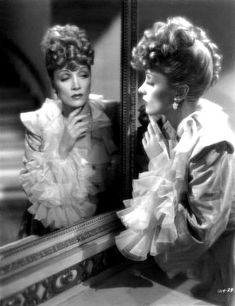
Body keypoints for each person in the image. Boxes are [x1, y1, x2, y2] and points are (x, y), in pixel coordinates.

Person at [115, 17, 235, 305]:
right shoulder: (173, 124)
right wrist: (161, 157)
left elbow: (200, 230)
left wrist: (161, 161)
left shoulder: (211, 143)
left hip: (219, 272)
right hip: (194, 270)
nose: (141, 89)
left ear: (179, 93)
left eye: (151, 81)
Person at [19, 24, 118, 235]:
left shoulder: (106, 116)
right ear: (54, 84)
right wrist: (62, 150)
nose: (76, 85)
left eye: (83, 74)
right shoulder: (39, 124)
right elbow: (40, 196)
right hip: (49, 231)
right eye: (65, 78)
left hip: (96, 233)